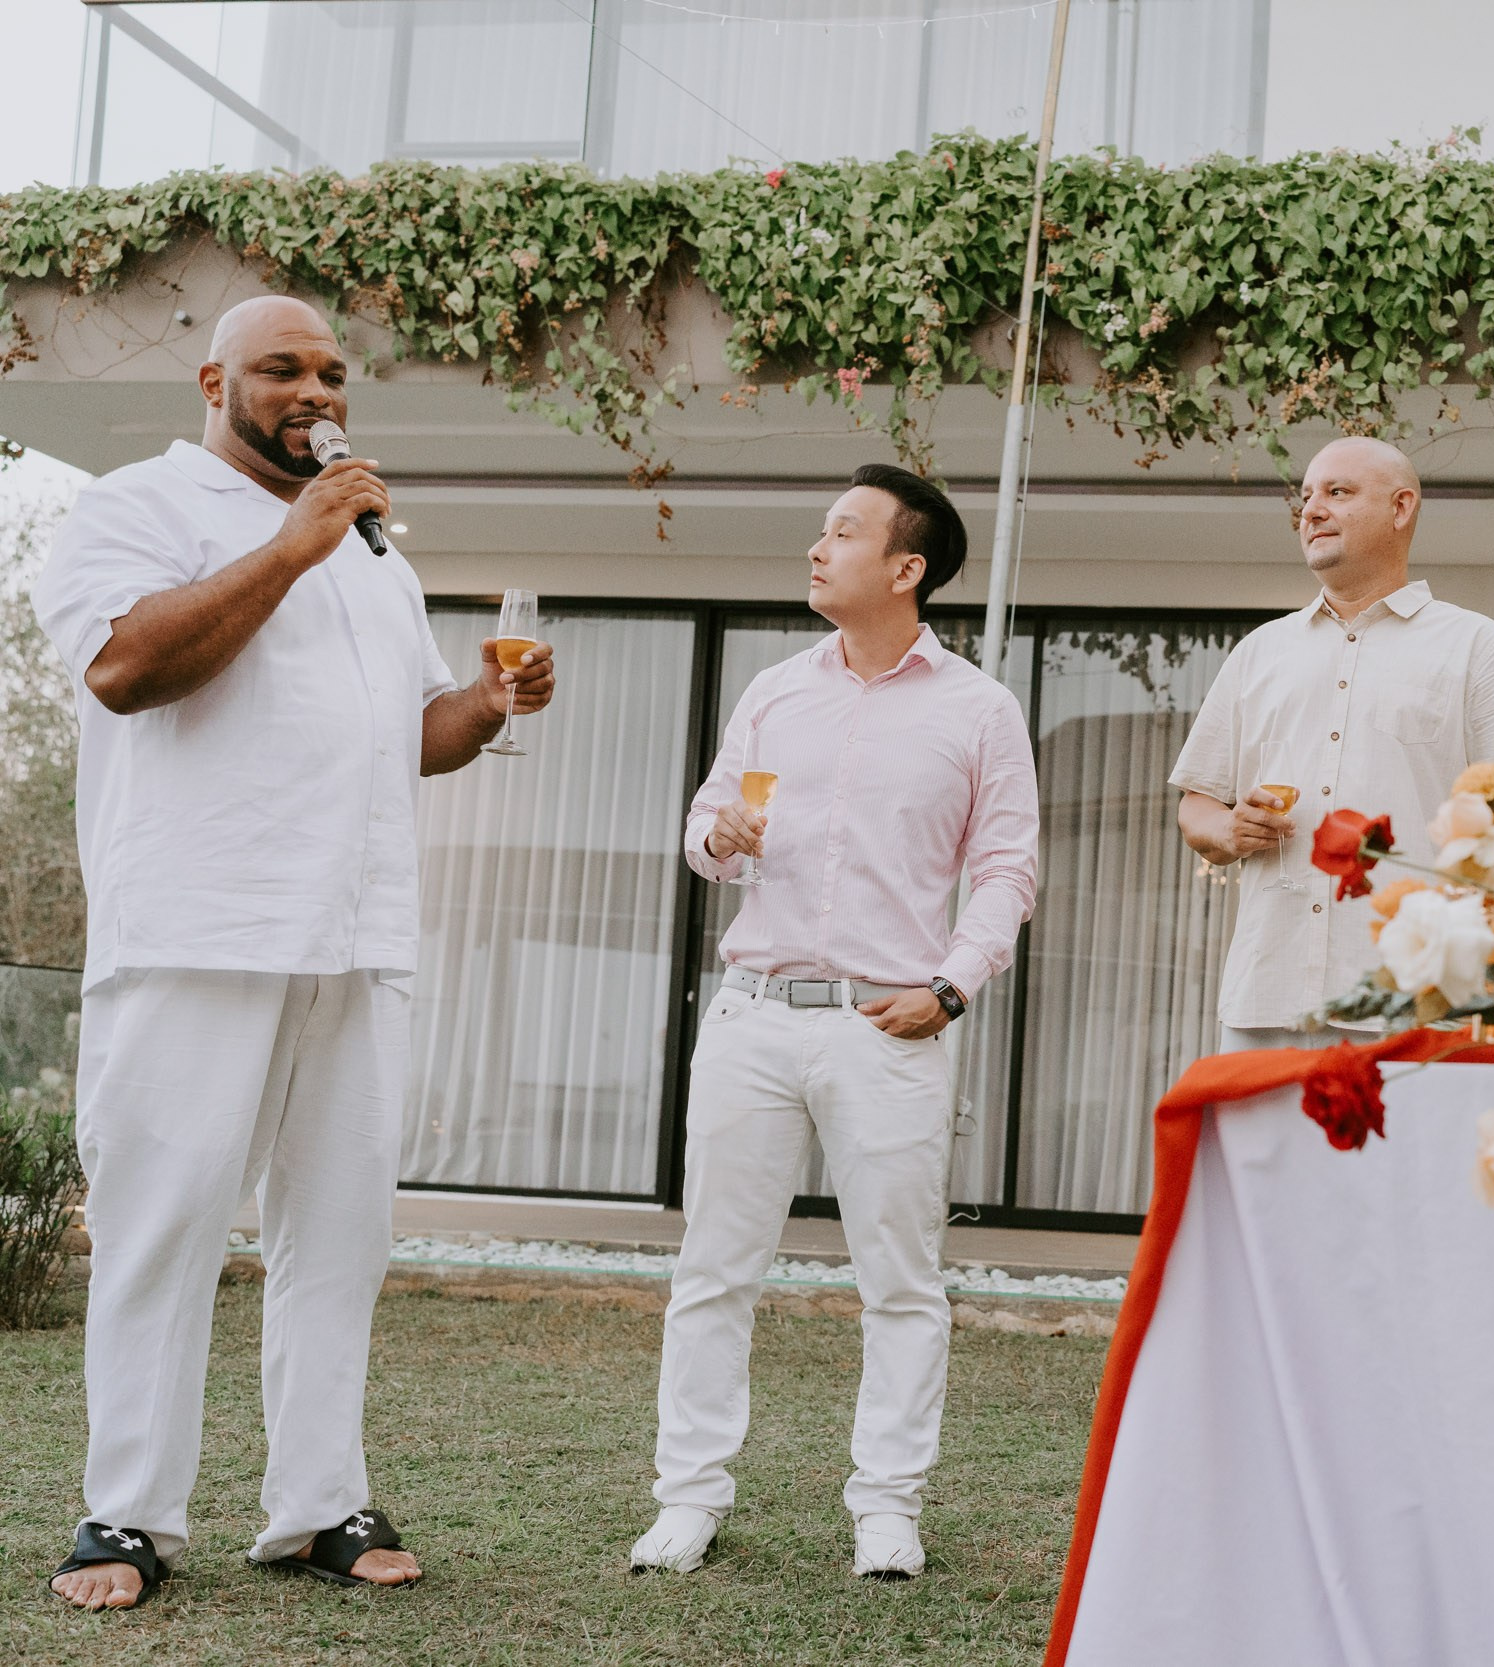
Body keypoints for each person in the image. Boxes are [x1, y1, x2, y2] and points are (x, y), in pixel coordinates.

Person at [34, 295, 556, 1610]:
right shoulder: (139, 505)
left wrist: (487, 703)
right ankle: (127, 1514)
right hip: (201, 925)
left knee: (340, 1233)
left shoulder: (377, 557)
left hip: (357, 936)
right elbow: (125, 668)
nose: (316, 391)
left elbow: (412, 735)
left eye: (331, 372)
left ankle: (320, 1503)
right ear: (215, 382)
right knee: (164, 1226)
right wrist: (290, 546)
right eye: (282, 369)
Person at [633, 464, 1039, 1580]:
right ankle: (689, 1496)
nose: (817, 548)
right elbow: (707, 826)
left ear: (906, 568)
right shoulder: (774, 690)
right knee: (713, 1269)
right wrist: (718, 839)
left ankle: (888, 1507)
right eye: (821, 530)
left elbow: (1007, 869)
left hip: (888, 1026)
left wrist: (950, 986)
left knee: (900, 1282)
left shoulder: (979, 710)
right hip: (753, 1015)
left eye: (843, 532)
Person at [1170, 437, 1494, 1050]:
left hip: (1416, 999)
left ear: (1401, 507)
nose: (1311, 510)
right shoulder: (1259, 651)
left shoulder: (1476, 646)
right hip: (1269, 995)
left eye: (1337, 493)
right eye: (1307, 496)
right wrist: (1229, 830)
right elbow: (1197, 805)